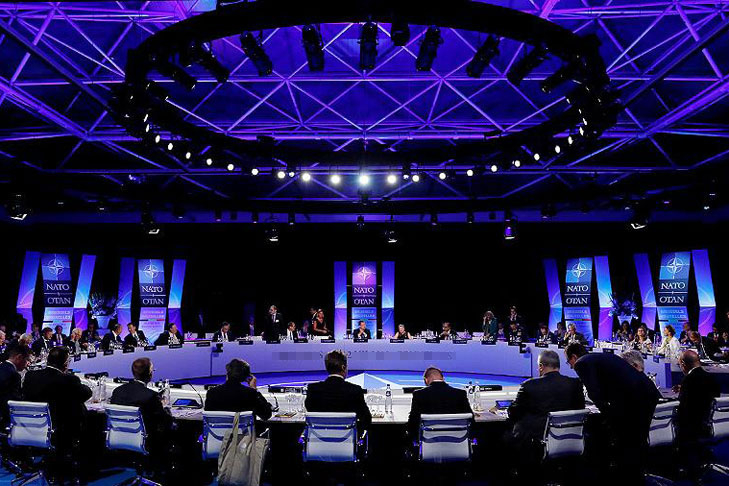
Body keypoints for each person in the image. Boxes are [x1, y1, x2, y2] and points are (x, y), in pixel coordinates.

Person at [565, 342, 661, 484]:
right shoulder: (600, 358)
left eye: (569, 362)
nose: (571, 366)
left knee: (626, 441)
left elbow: (595, 393)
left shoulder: (581, 363)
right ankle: (637, 477)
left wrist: (608, 415)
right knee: (637, 440)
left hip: (633, 398)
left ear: (574, 357)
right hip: (647, 391)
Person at [504, 350, 584, 462]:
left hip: (536, 441)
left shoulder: (529, 385)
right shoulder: (575, 384)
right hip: (570, 438)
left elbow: (514, 413)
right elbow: (580, 409)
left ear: (541, 366)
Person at [23, 347, 92, 449]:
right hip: (60, 428)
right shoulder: (69, 379)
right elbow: (87, 393)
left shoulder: (30, 376)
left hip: (31, 425)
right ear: (66, 364)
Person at [109, 358, 173, 459]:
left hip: (118, 438)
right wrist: (165, 407)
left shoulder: (117, 391)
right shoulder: (151, 396)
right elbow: (164, 420)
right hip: (146, 441)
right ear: (150, 374)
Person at [674, 350, 721, 481]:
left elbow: (684, 407)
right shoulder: (711, 378)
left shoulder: (688, 380)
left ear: (683, 364)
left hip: (693, 427)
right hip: (710, 424)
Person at [305, 350, 371, 432]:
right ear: (343, 367)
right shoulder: (355, 390)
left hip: (319, 437)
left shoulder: (313, 389)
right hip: (347, 438)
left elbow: (310, 412)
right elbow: (367, 419)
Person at [407, 366, 472, 442]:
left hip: (429, 443)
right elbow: (471, 418)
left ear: (426, 380)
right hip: (459, 442)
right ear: (443, 378)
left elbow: (413, 421)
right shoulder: (460, 394)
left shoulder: (419, 394)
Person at [204, 359, 273, 423]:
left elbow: (208, 416)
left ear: (227, 373)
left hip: (218, 432)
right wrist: (254, 389)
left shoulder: (212, 392)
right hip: (244, 432)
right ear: (246, 377)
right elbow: (266, 415)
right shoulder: (250, 393)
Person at [0, 344, 31, 427]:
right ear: (19, 357)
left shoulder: (2, 366)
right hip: (5, 419)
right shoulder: (14, 375)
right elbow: (16, 401)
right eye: (27, 360)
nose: (27, 364)